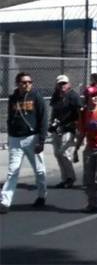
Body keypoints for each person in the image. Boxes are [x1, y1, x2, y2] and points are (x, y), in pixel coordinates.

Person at [0, 72, 48, 214]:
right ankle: (4, 201)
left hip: (32, 138)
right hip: (15, 139)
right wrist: (10, 135)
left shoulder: (36, 97)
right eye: (24, 82)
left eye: (29, 82)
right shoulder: (13, 98)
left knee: (39, 170)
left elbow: (43, 119)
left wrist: (42, 140)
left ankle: (42, 195)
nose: (27, 84)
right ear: (18, 84)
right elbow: (10, 117)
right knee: (12, 172)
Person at [49, 74, 81, 189]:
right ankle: (65, 178)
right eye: (60, 83)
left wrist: (77, 129)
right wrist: (52, 123)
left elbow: (79, 114)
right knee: (57, 154)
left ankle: (70, 178)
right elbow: (54, 111)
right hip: (57, 129)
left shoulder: (73, 96)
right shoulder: (56, 96)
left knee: (65, 153)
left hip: (69, 129)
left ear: (69, 84)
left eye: (64, 83)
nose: (62, 85)